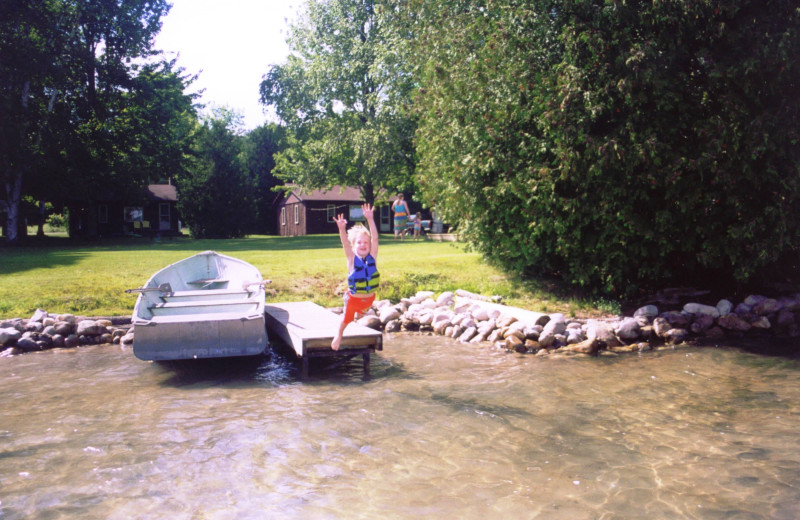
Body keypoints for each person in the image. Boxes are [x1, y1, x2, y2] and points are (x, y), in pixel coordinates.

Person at [331, 203, 380, 351]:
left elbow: (376, 239)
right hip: (353, 300)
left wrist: (370, 219)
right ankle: (338, 335)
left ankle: (361, 313)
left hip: (368, 299)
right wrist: (341, 229)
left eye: (366, 242)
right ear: (354, 246)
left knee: (362, 312)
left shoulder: (373, 257)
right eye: (359, 242)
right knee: (347, 319)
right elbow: (345, 243)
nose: (363, 245)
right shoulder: (352, 259)